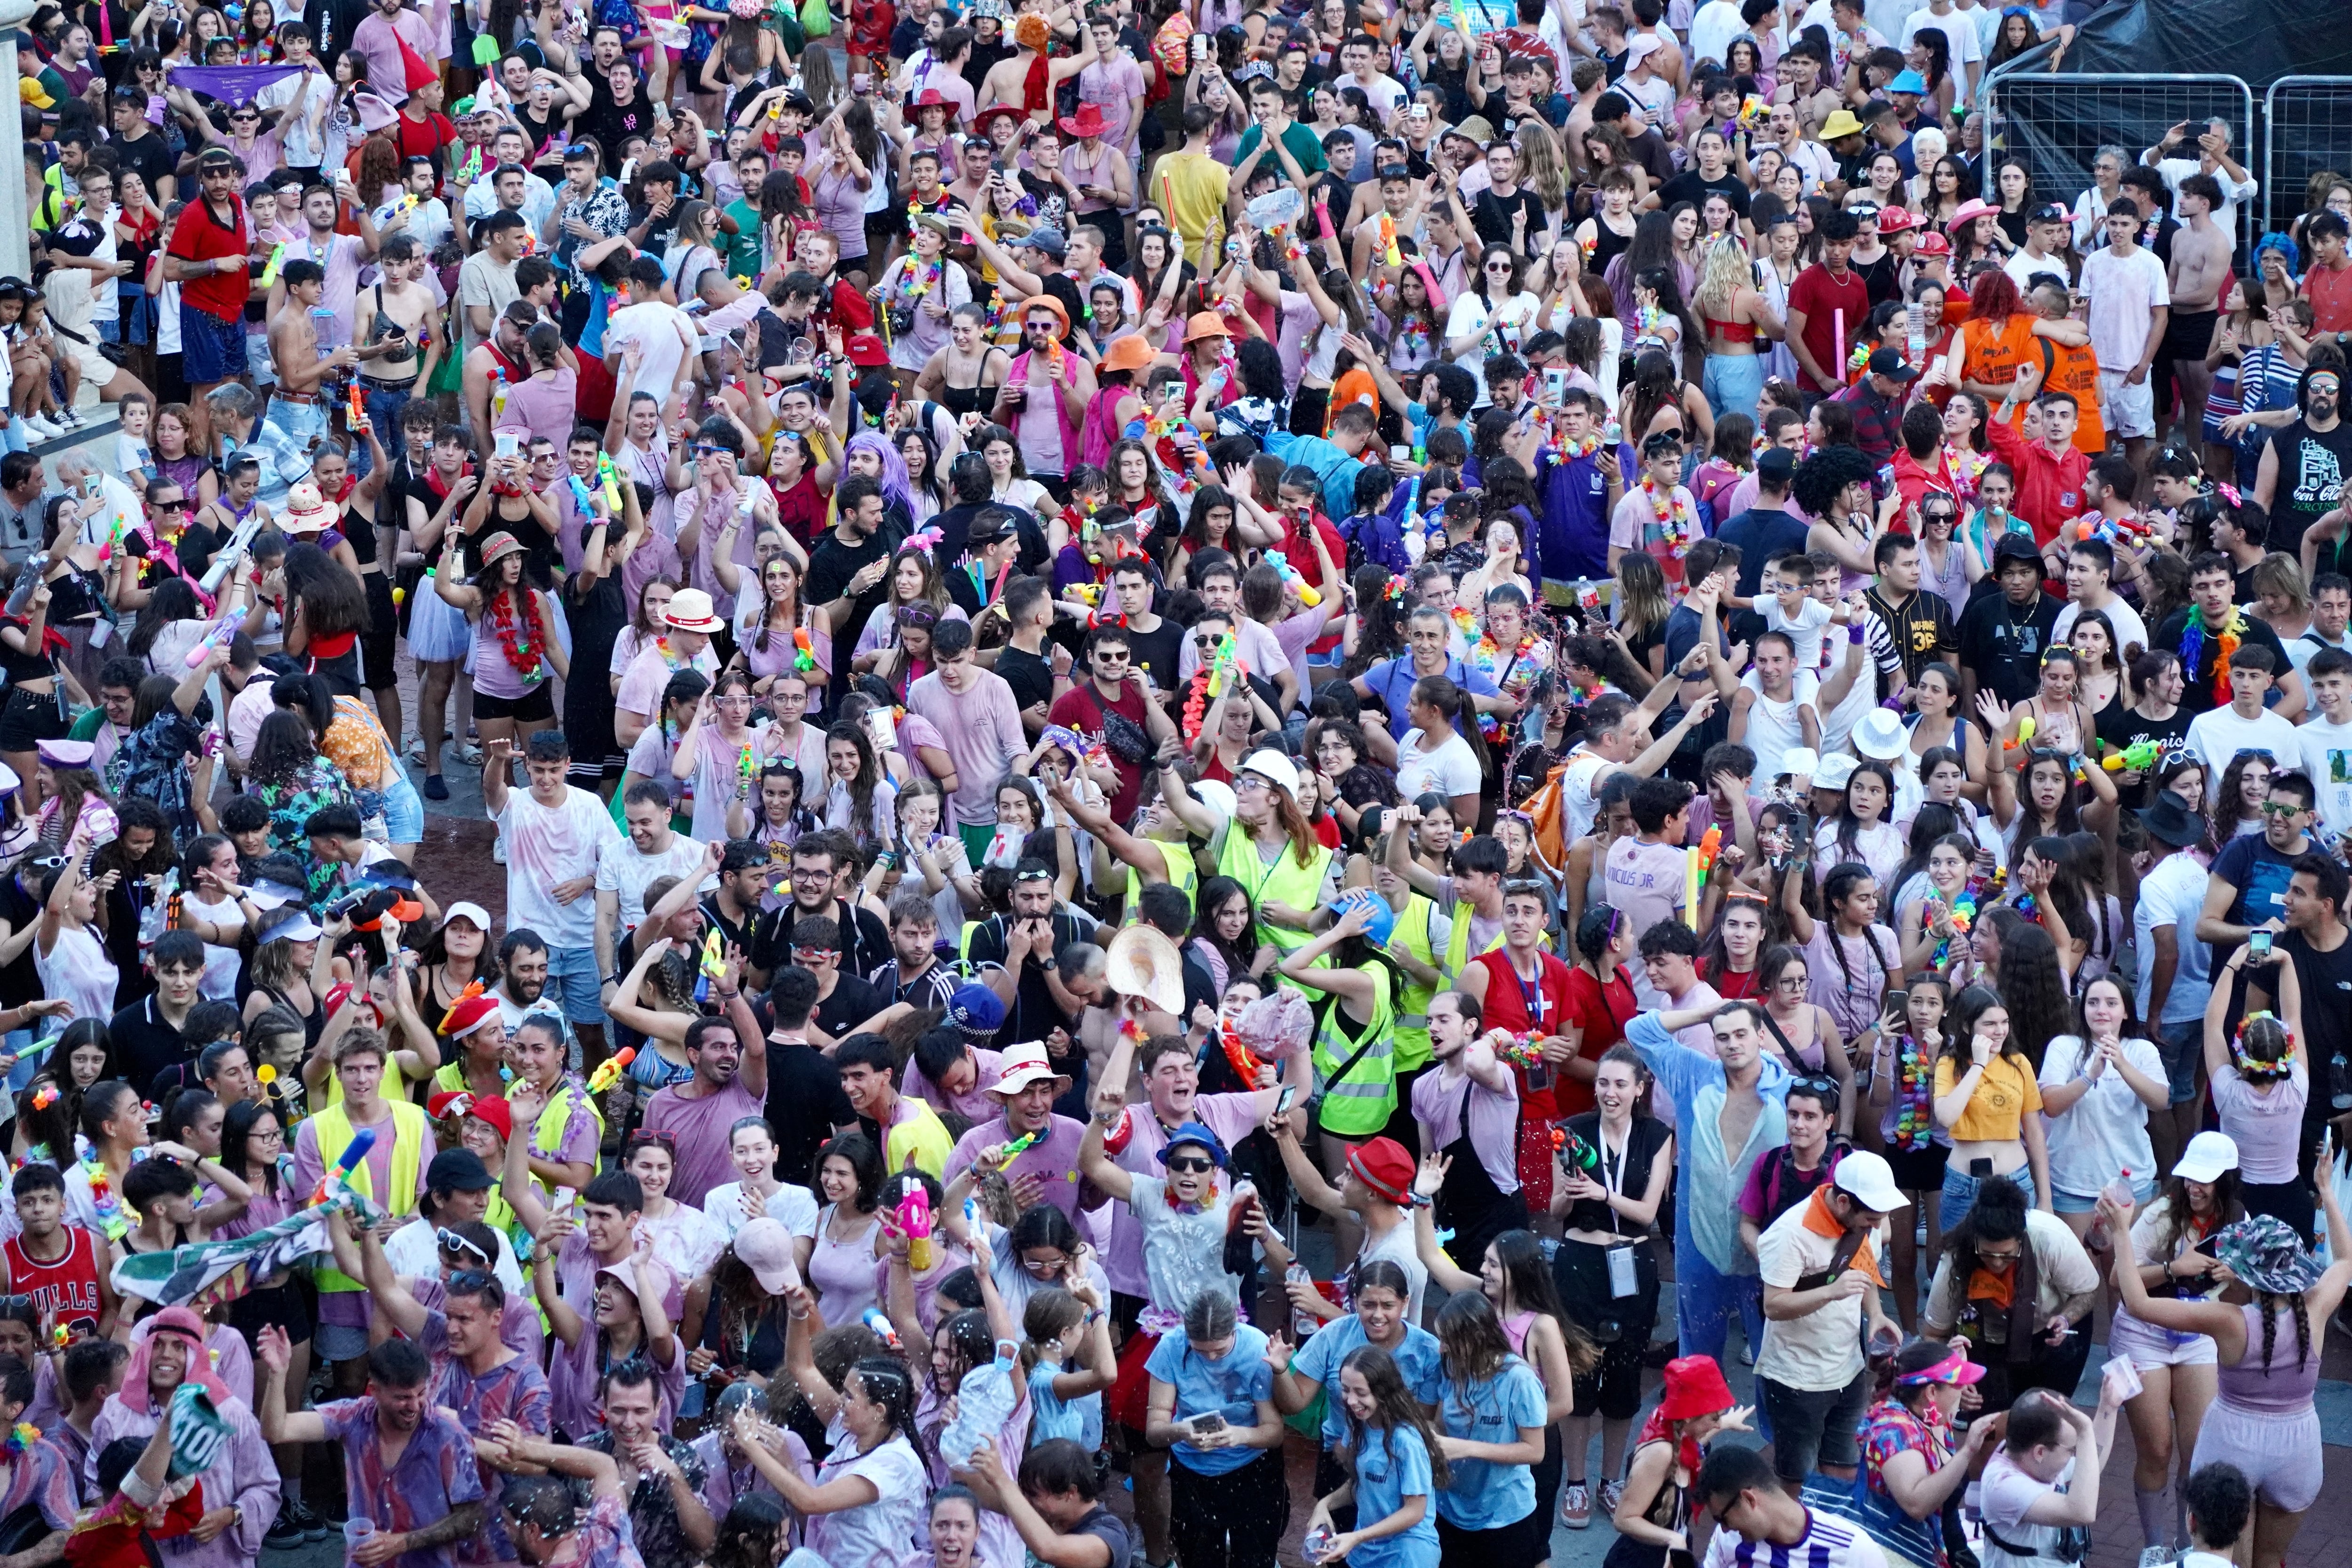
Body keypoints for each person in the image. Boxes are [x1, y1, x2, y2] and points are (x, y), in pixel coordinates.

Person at [1754, 1151, 1907, 1483]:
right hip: (1796, 1377)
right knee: (1797, 1479)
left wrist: (1877, 1313)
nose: (1879, 1227)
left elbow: (1863, 1267)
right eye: (1871, 1219)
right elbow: (1774, 1305)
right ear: (1842, 1202)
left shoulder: (1863, 1221)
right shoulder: (1790, 1233)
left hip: (1848, 1369)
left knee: (1844, 1472)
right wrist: (1831, 1291)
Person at [1974, 1383, 2128, 1568]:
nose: (2075, 1455)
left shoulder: (2033, 1459)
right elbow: (2081, 1512)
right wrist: (2084, 1431)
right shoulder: (2003, 1485)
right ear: (2040, 1452)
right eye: (2072, 1450)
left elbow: (2091, 1465)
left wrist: (2108, 1408)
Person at [1693, 1444, 1891, 1568]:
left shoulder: (1852, 1550)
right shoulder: (1727, 1540)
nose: (1725, 1529)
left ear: (1749, 1499)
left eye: (1723, 1519)